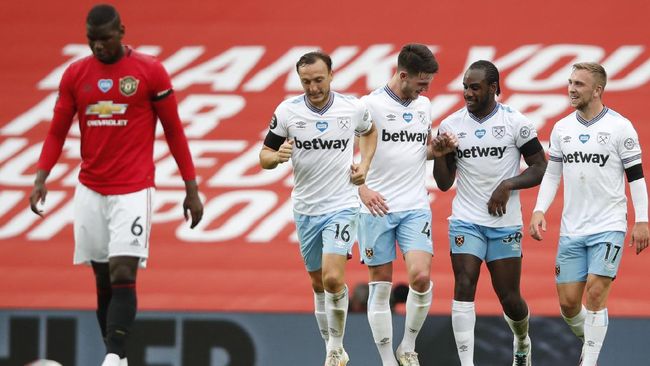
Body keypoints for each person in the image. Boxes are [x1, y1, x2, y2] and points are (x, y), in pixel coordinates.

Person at [28, 5, 204, 366]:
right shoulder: (76, 74)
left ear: (122, 32)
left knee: (124, 270)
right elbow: (57, 129)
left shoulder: (149, 71)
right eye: (92, 41)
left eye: (105, 40)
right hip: (90, 189)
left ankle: (112, 357)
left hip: (133, 189)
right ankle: (119, 358)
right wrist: (41, 177)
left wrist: (191, 187)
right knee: (103, 279)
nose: (98, 48)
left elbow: (174, 130)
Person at [259, 51, 377, 366]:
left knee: (334, 278)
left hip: (341, 205)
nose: (313, 87)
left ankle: (336, 347)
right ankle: (331, 347)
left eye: (318, 80)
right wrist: (278, 156)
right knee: (318, 283)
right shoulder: (288, 112)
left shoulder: (352, 108)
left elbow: (369, 131)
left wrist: (363, 164)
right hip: (306, 208)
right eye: (306, 81)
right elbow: (264, 156)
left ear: (332, 75)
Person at [529, 62, 648, 366]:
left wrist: (642, 219)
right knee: (569, 305)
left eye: (579, 84)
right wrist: (539, 208)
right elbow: (553, 174)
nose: (571, 89)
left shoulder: (620, 128)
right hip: (572, 228)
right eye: (570, 82)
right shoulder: (562, 129)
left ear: (597, 90)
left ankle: (590, 361)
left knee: (595, 293)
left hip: (609, 224)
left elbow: (636, 177)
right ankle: (593, 341)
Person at [433, 60, 547, 366]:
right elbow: (444, 184)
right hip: (466, 220)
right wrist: (441, 156)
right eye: (465, 87)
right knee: (464, 283)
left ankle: (522, 340)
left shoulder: (516, 123)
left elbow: (540, 168)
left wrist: (508, 184)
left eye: (474, 87)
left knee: (509, 297)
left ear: (493, 88)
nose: (467, 93)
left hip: (504, 223)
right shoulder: (451, 126)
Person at [357, 43, 455, 366]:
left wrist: (436, 149)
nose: (426, 90)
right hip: (377, 207)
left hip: (414, 205)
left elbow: (418, 150)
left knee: (421, 278)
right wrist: (363, 190)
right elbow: (340, 156)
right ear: (402, 75)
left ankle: (407, 347)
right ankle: (387, 359)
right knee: (381, 286)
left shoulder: (423, 106)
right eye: (421, 83)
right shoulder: (369, 106)